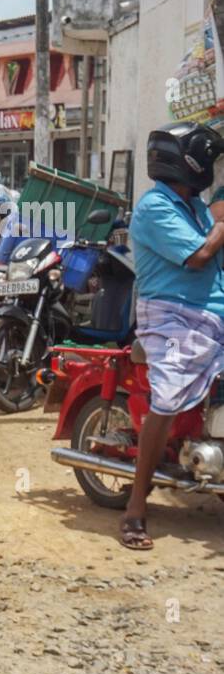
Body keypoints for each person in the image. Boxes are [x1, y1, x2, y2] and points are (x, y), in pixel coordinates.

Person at [120, 122, 224, 549]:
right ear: (189, 163)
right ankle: (135, 509)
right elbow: (200, 255)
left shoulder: (196, 206)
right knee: (166, 395)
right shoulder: (155, 208)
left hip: (212, 312)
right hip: (170, 317)